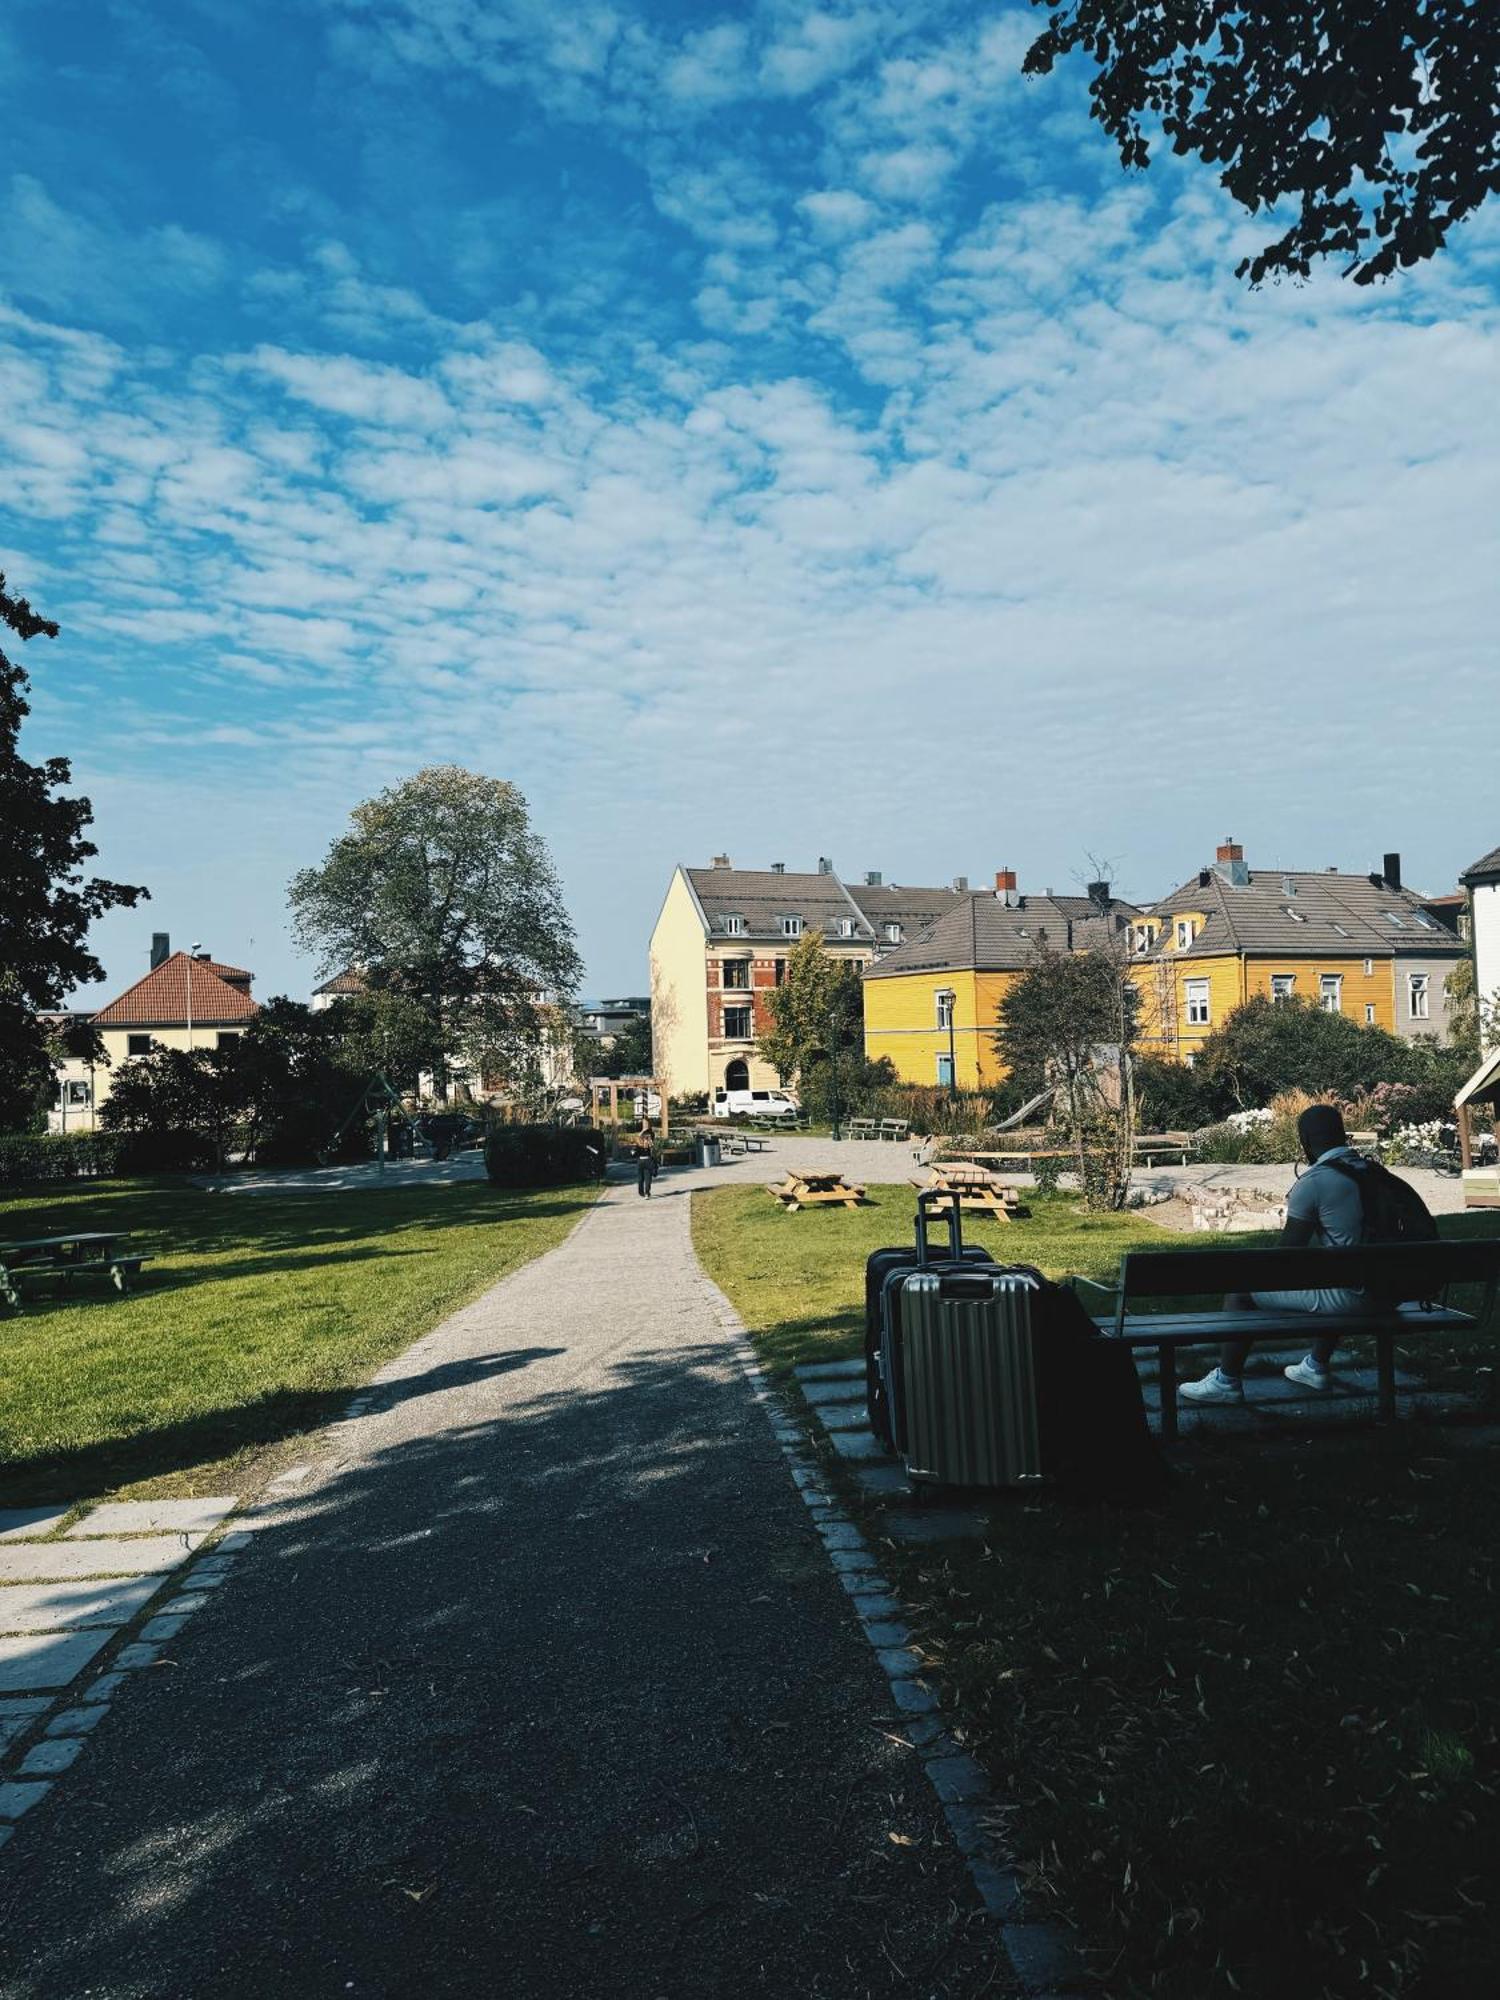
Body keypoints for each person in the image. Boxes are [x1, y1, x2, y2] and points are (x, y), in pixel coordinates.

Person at [1181, 1103, 1375, 1405]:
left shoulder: (1315, 1181)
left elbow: (1285, 1260)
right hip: (1392, 1290)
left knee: (1241, 1292)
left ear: (1305, 1141)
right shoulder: (1372, 1172)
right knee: (1336, 1272)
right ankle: (1315, 1366)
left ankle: (1226, 1381)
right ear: (1343, 1135)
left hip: (1358, 1297)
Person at [633, 1122, 658, 1199]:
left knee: (640, 1178)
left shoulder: (639, 1143)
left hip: (640, 1161)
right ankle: (647, 1193)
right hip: (648, 1161)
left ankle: (641, 1192)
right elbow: (653, 1148)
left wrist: (642, 1131)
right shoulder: (650, 1143)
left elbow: (637, 1137)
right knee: (648, 1178)